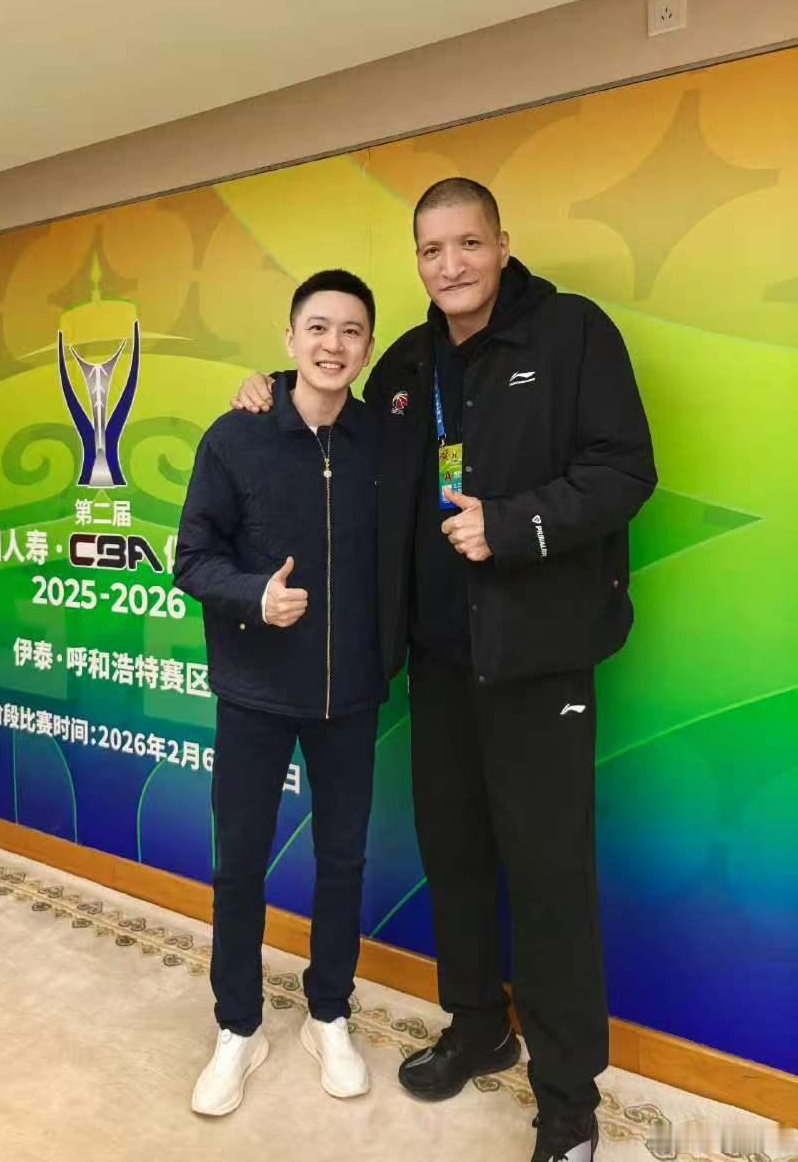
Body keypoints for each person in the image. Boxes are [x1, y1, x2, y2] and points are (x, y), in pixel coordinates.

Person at [231, 178, 657, 1162]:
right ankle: (477, 1025)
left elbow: (624, 469)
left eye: (468, 243)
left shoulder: (571, 333)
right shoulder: (410, 362)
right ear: (417, 260)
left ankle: (567, 1098)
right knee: (455, 855)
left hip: (538, 658)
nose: (451, 264)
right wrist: (269, 387)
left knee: (547, 874)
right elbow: (338, 413)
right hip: (437, 660)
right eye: (432, 249)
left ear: (502, 243)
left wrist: (513, 523)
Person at [175, 268, 385, 1117]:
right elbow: (192, 558)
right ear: (291, 338)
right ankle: (239, 1027)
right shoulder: (237, 435)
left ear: (368, 347)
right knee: (239, 863)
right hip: (256, 688)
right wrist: (254, 596)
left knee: (343, 859)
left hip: (352, 692)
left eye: (351, 331)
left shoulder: (385, 441)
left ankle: (329, 1013)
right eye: (318, 328)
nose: (334, 345)